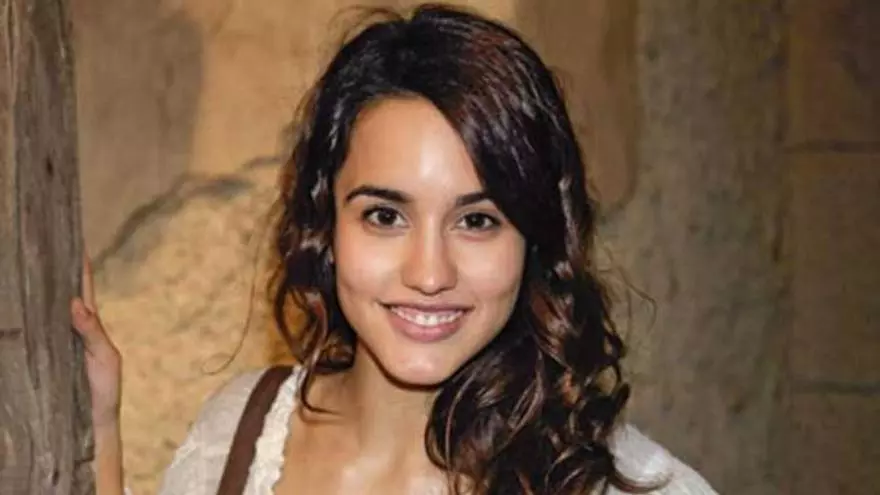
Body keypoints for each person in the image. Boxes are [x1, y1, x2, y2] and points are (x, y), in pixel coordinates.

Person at [71, 4, 717, 494]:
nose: (429, 273)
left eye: (478, 221)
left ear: (535, 241)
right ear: (326, 224)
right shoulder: (241, 431)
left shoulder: (623, 485)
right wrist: (99, 423)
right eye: (385, 215)